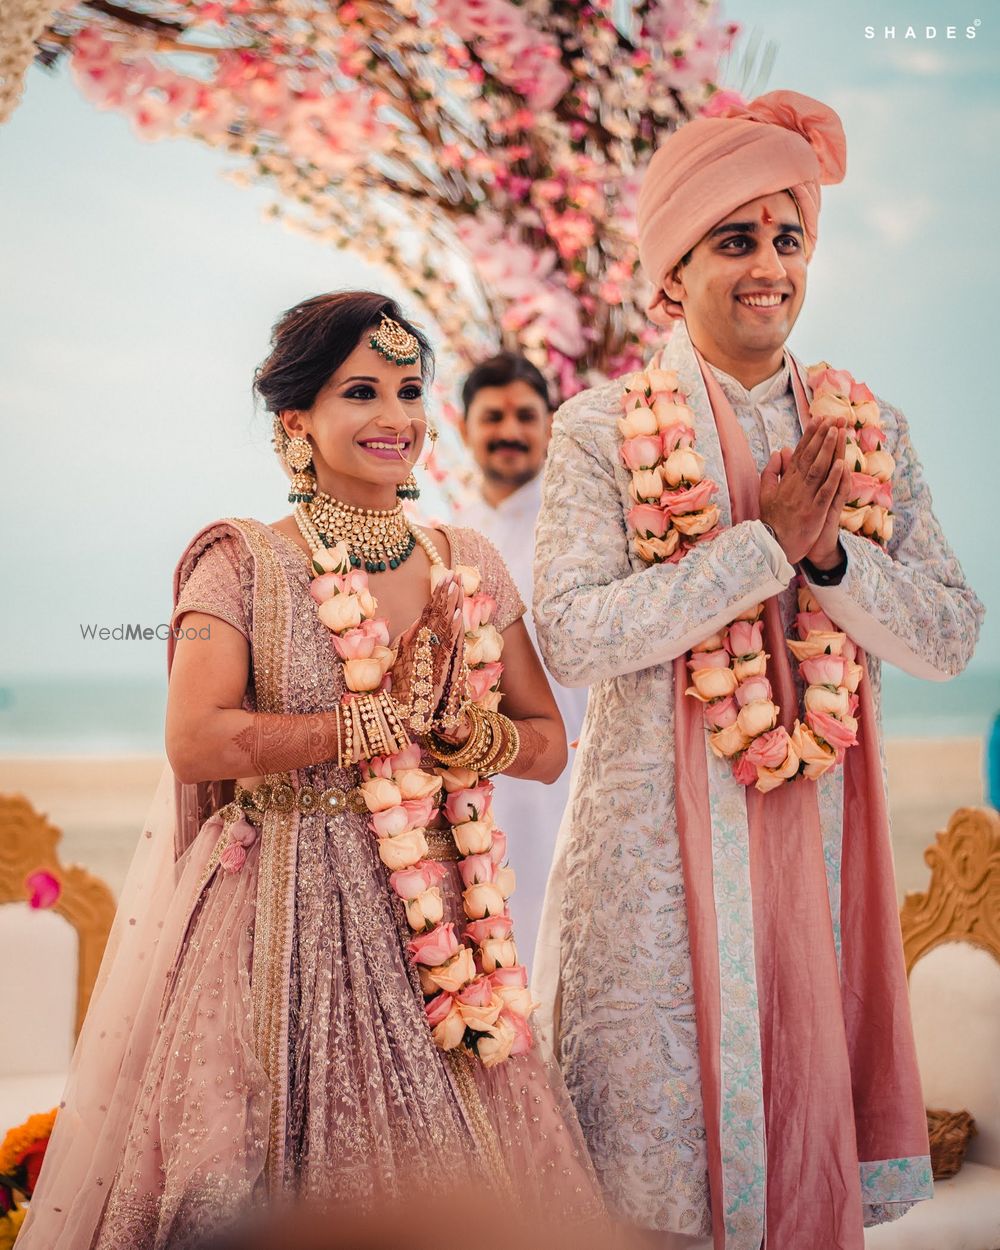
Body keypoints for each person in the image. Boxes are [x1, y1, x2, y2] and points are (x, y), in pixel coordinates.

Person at [19, 292, 605, 1250]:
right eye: (361, 392)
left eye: (410, 391)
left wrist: (473, 741)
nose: (396, 418)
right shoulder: (241, 563)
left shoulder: (470, 563)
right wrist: (350, 728)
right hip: (284, 912)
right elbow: (196, 739)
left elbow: (545, 740)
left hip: (445, 928)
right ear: (297, 421)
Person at [531, 92, 985, 1250]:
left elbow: (946, 636)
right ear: (671, 269)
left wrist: (827, 554)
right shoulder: (598, 430)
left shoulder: (864, 430)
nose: (768, 267)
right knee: (648, 1185)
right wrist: (757, 549)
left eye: (788, 238)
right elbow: (572, 635)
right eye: (735, 239)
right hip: (651, 867)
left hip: (818, 858)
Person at [457, 352, 588, 963]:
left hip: (572, 771)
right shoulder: (448, 536)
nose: (509, 431)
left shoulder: (581, 530)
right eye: (493, 416)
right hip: (474, 777)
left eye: (525, 415)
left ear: (551, 424)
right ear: (464, 428)